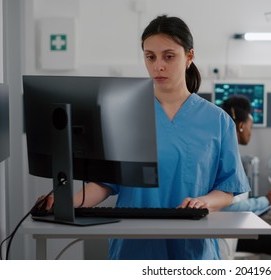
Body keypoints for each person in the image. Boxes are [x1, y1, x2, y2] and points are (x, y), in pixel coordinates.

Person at [38, 15, 250, 260]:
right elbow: (106, 182)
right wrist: (65, 202)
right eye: (150, 57)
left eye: (168, 56)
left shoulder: (218, 121)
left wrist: (203, 202)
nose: (158, 66)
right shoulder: (124, 115)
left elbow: (226, 189)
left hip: (192, 248)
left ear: (189, 57)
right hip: (133, 248)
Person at [220, 95, 271, 260]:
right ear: (241, 126)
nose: (251, 132)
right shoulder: (226, 159)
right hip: (225, 232)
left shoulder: (226, 153)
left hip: (231, 226)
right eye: (251, 126)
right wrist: (266, 201)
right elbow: (225, 209)